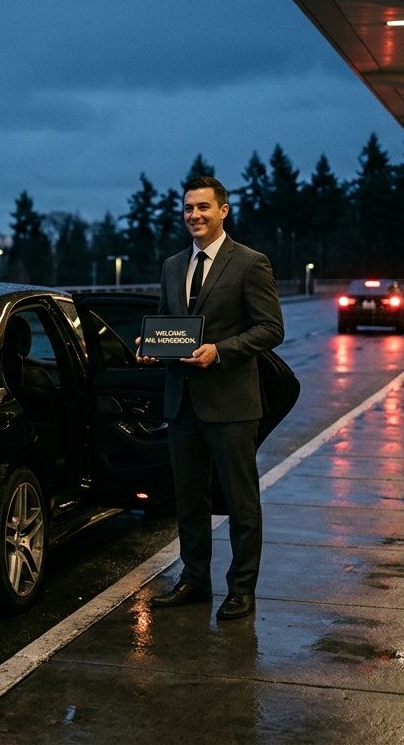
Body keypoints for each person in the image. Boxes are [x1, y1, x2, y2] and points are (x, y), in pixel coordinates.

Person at [139, 176, 284, 621]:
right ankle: (194, 580)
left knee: (241, 503)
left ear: (223, 211)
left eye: (203, 207)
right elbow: (167, 322)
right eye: (188, 208)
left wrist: (221, 351)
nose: (194, 215)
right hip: (182, 403)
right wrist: (150, 347)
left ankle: (241, 589)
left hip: (231, 404)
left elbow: (271, 329)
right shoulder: (171, 265)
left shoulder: (250, 263)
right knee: (188, 502)